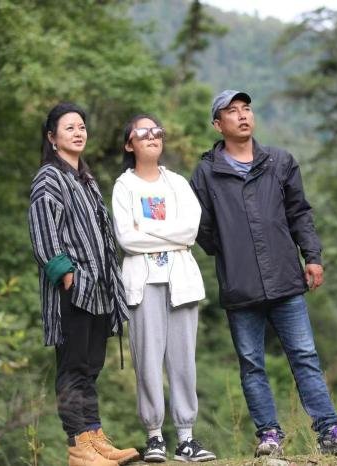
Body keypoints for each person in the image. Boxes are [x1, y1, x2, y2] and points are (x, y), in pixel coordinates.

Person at [189, 90, 337, 457]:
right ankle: (269, 435)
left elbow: (300, 212)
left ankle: (330, 430)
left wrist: (312, 256)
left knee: (305, 356)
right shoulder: (206, 172)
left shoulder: (279, 161)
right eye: (231, 112)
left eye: (246, 108)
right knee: (252, 364)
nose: (242, 116)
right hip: (240, 285)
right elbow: (200, 226)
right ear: (218, 125)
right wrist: (231, 249)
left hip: (285, 278)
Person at [28, 102, 139, 466]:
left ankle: (94, 436)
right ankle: (78, 446)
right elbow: (44, 233)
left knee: (91, 365)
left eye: (82, 127)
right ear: (52, 137)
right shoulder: (48, 177)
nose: (79, 132)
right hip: (73, 291)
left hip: (99, 290)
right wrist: (66, 274)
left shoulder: (85, 178)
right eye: (69, 128)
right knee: (73, 366)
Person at [112, 114, 216, 463]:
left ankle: (186, 438)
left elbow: (190, 232)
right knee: (148, 360)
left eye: (157, 131)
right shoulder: (124, 186)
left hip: (181, 282)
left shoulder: (178, 183)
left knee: (184, 360)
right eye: (143, 133)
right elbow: (126, 237)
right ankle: (154, 435)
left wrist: (149, 229)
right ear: (130, 144)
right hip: (143, 283)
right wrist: (169, 232)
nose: (153, 136)